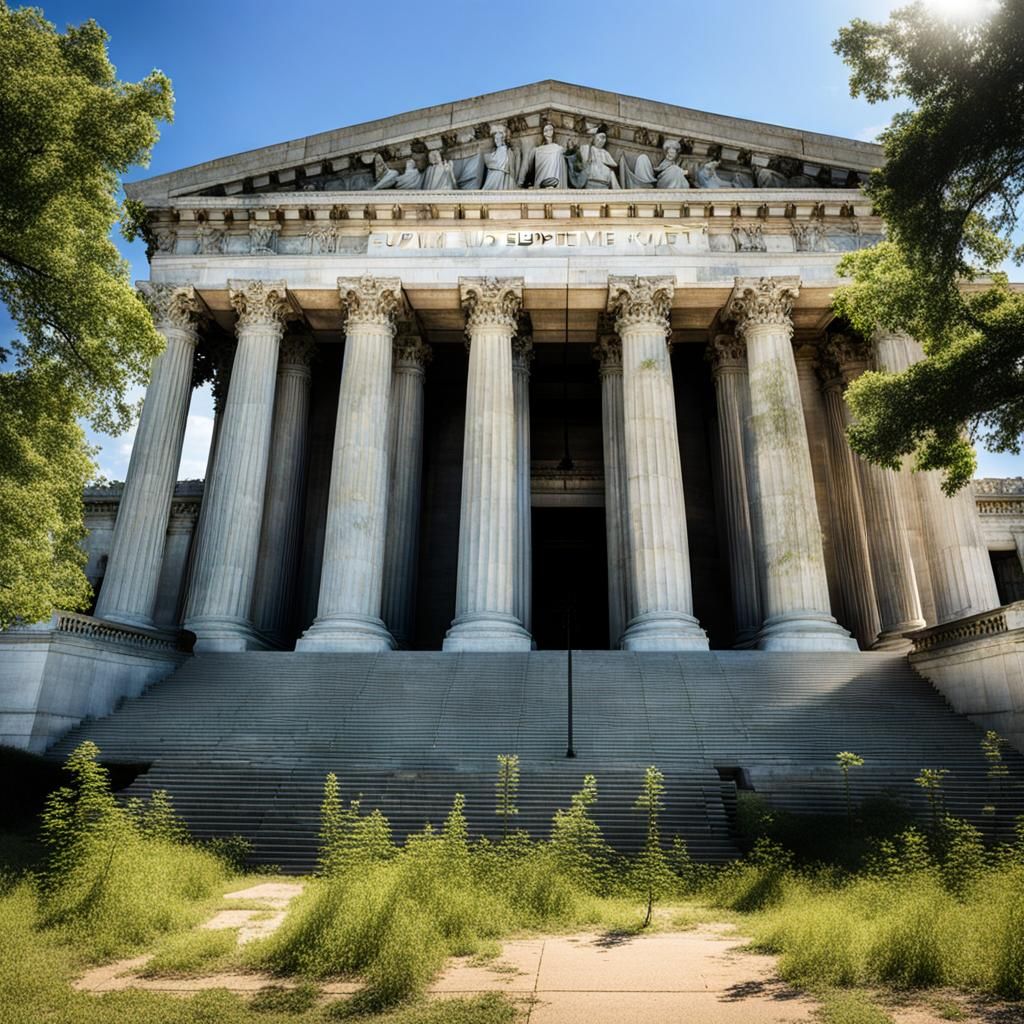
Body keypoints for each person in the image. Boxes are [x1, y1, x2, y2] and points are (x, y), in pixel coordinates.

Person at [624, 139, 690, 189]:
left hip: (670, 178)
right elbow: (660, 169)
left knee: (676, 170)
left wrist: (683, 172)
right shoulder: (666, 161)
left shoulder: (676, 162)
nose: (670, 155)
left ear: (676, 154)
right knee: (675, 170)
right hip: (662, 179)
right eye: (668, 153)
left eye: (672, 153)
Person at [519, 121, 567, 189]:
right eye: (546, 130)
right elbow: (529, 167)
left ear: (553, 131)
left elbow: (564, 167)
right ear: (543, 133)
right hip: (540, 182)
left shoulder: (559, 149)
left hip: (555, 183)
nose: (549, 132)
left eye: (550, 129)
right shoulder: (537, 150)